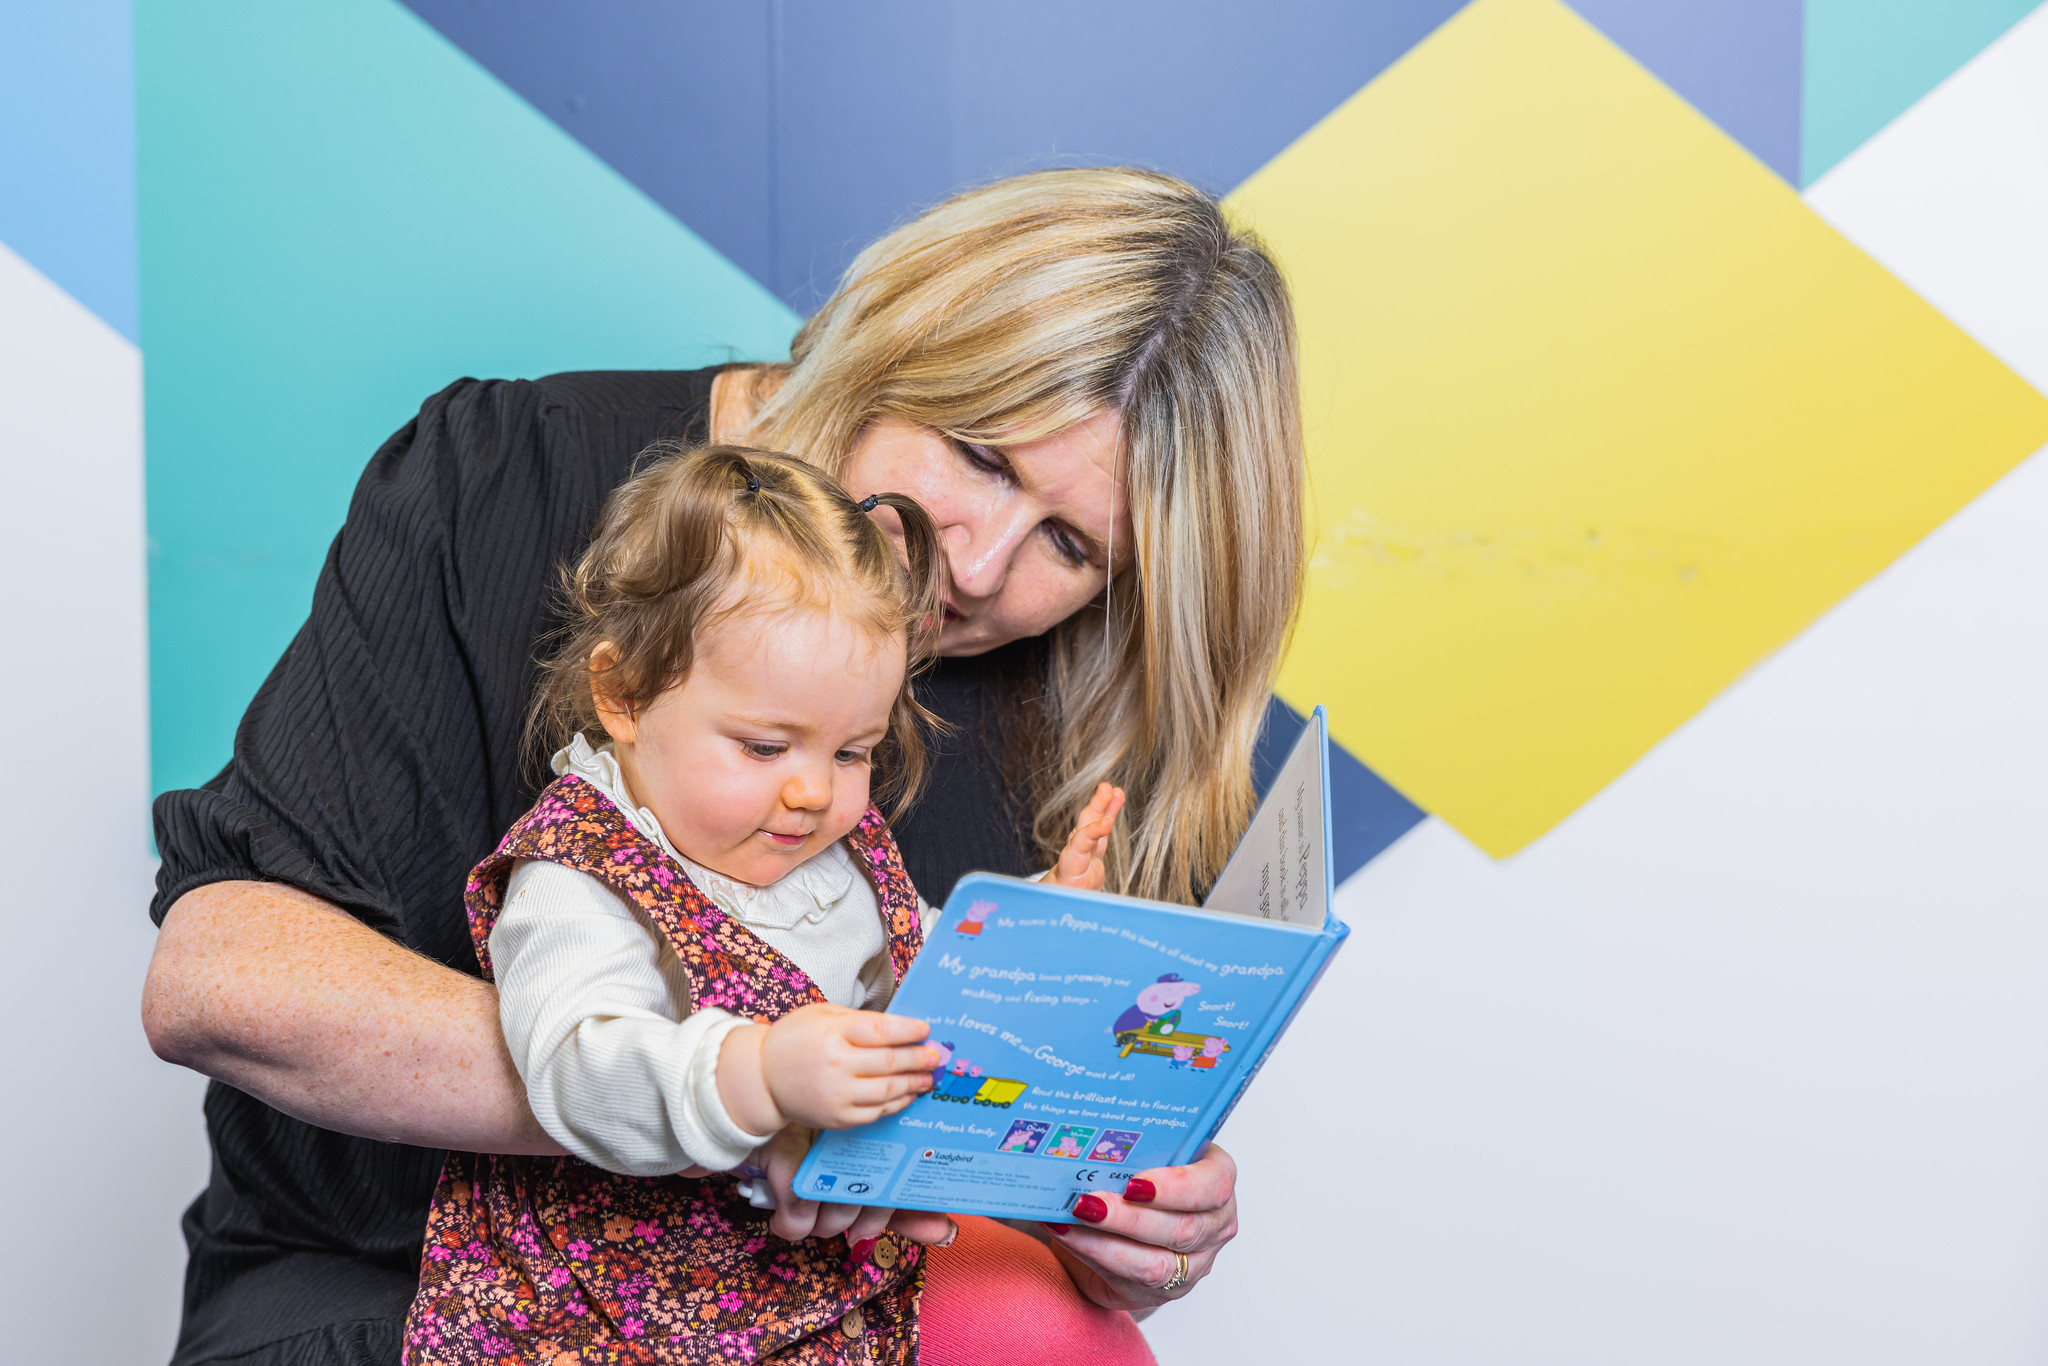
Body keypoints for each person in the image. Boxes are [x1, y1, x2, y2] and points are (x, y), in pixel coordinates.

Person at [143, 166, 1302, 1366]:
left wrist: (1118, 1219)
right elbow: (218, 982)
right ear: (892, 343)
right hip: (410, 1293)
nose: (976, 566)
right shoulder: (504, 472)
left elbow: (997, 1139)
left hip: (813, 1315)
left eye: (1069, 543)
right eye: (980, 457)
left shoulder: (1088, 692)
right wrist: (748, 1104)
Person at [404, 445, 1130, 1362]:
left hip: (807, 1305)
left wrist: (1037, 930)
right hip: (600, 1324)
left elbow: (916, 968)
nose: (812, 794)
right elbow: (575, 1067)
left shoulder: (822, 848)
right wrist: (761, 1072)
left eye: (852, 752)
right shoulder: (577, 874)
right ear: (623, 694)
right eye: (762, 748)